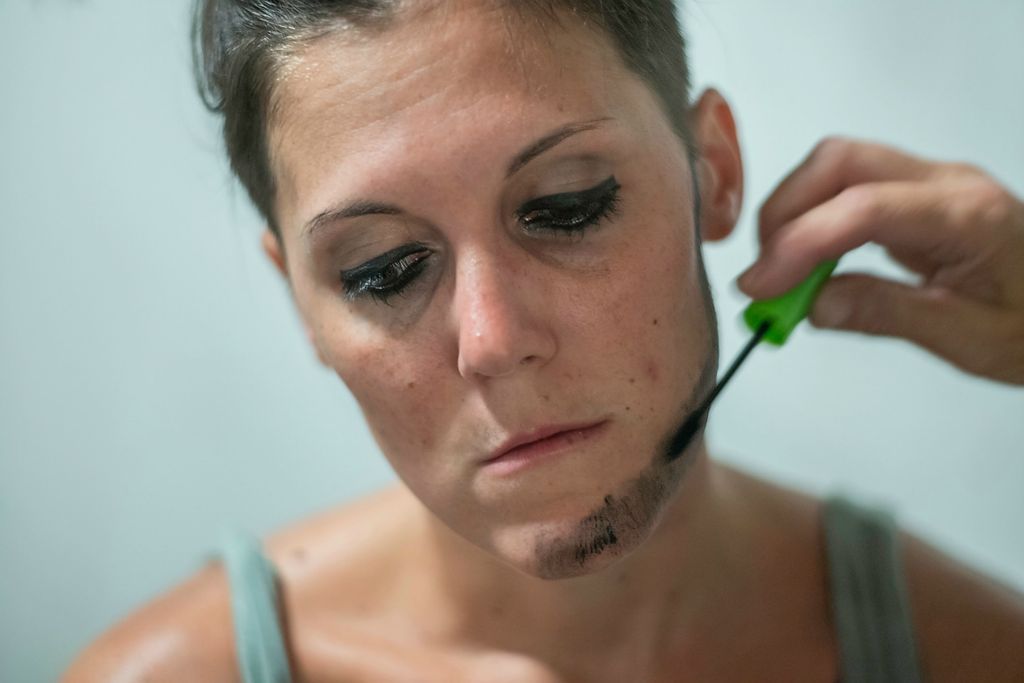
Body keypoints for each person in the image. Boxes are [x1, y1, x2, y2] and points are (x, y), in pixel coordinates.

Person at [65, 1, 1024, 681]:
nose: (491, 340)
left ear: (715, 173)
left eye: (567, 207)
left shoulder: (973, 654)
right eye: (383, 270)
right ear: (301, 303)